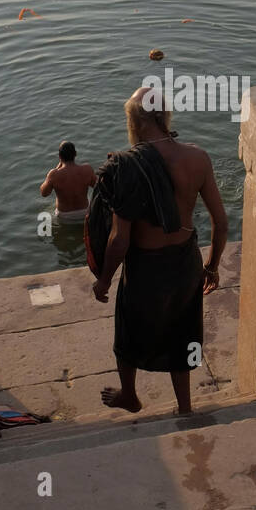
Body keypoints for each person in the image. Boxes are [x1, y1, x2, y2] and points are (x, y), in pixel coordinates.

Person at [91, 86, 228, 416]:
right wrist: (211, 266)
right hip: (185, 262)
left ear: (134, 122)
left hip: (145, 267)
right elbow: (220, 222)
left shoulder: (126, 166)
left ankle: (130, 395)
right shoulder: (197, 157)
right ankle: (185, 408)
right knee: (182, 331)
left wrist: (105, 281)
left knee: (129, 329)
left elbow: (119, 239)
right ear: (165, 116)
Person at [40, 141, 96, 223]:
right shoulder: (87, 169)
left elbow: (44, 193)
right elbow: (99, 187)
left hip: (63, 216)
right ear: (75, 154)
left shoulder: (54, 174)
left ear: (59, 156)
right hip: (84, 213)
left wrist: (56, 169)